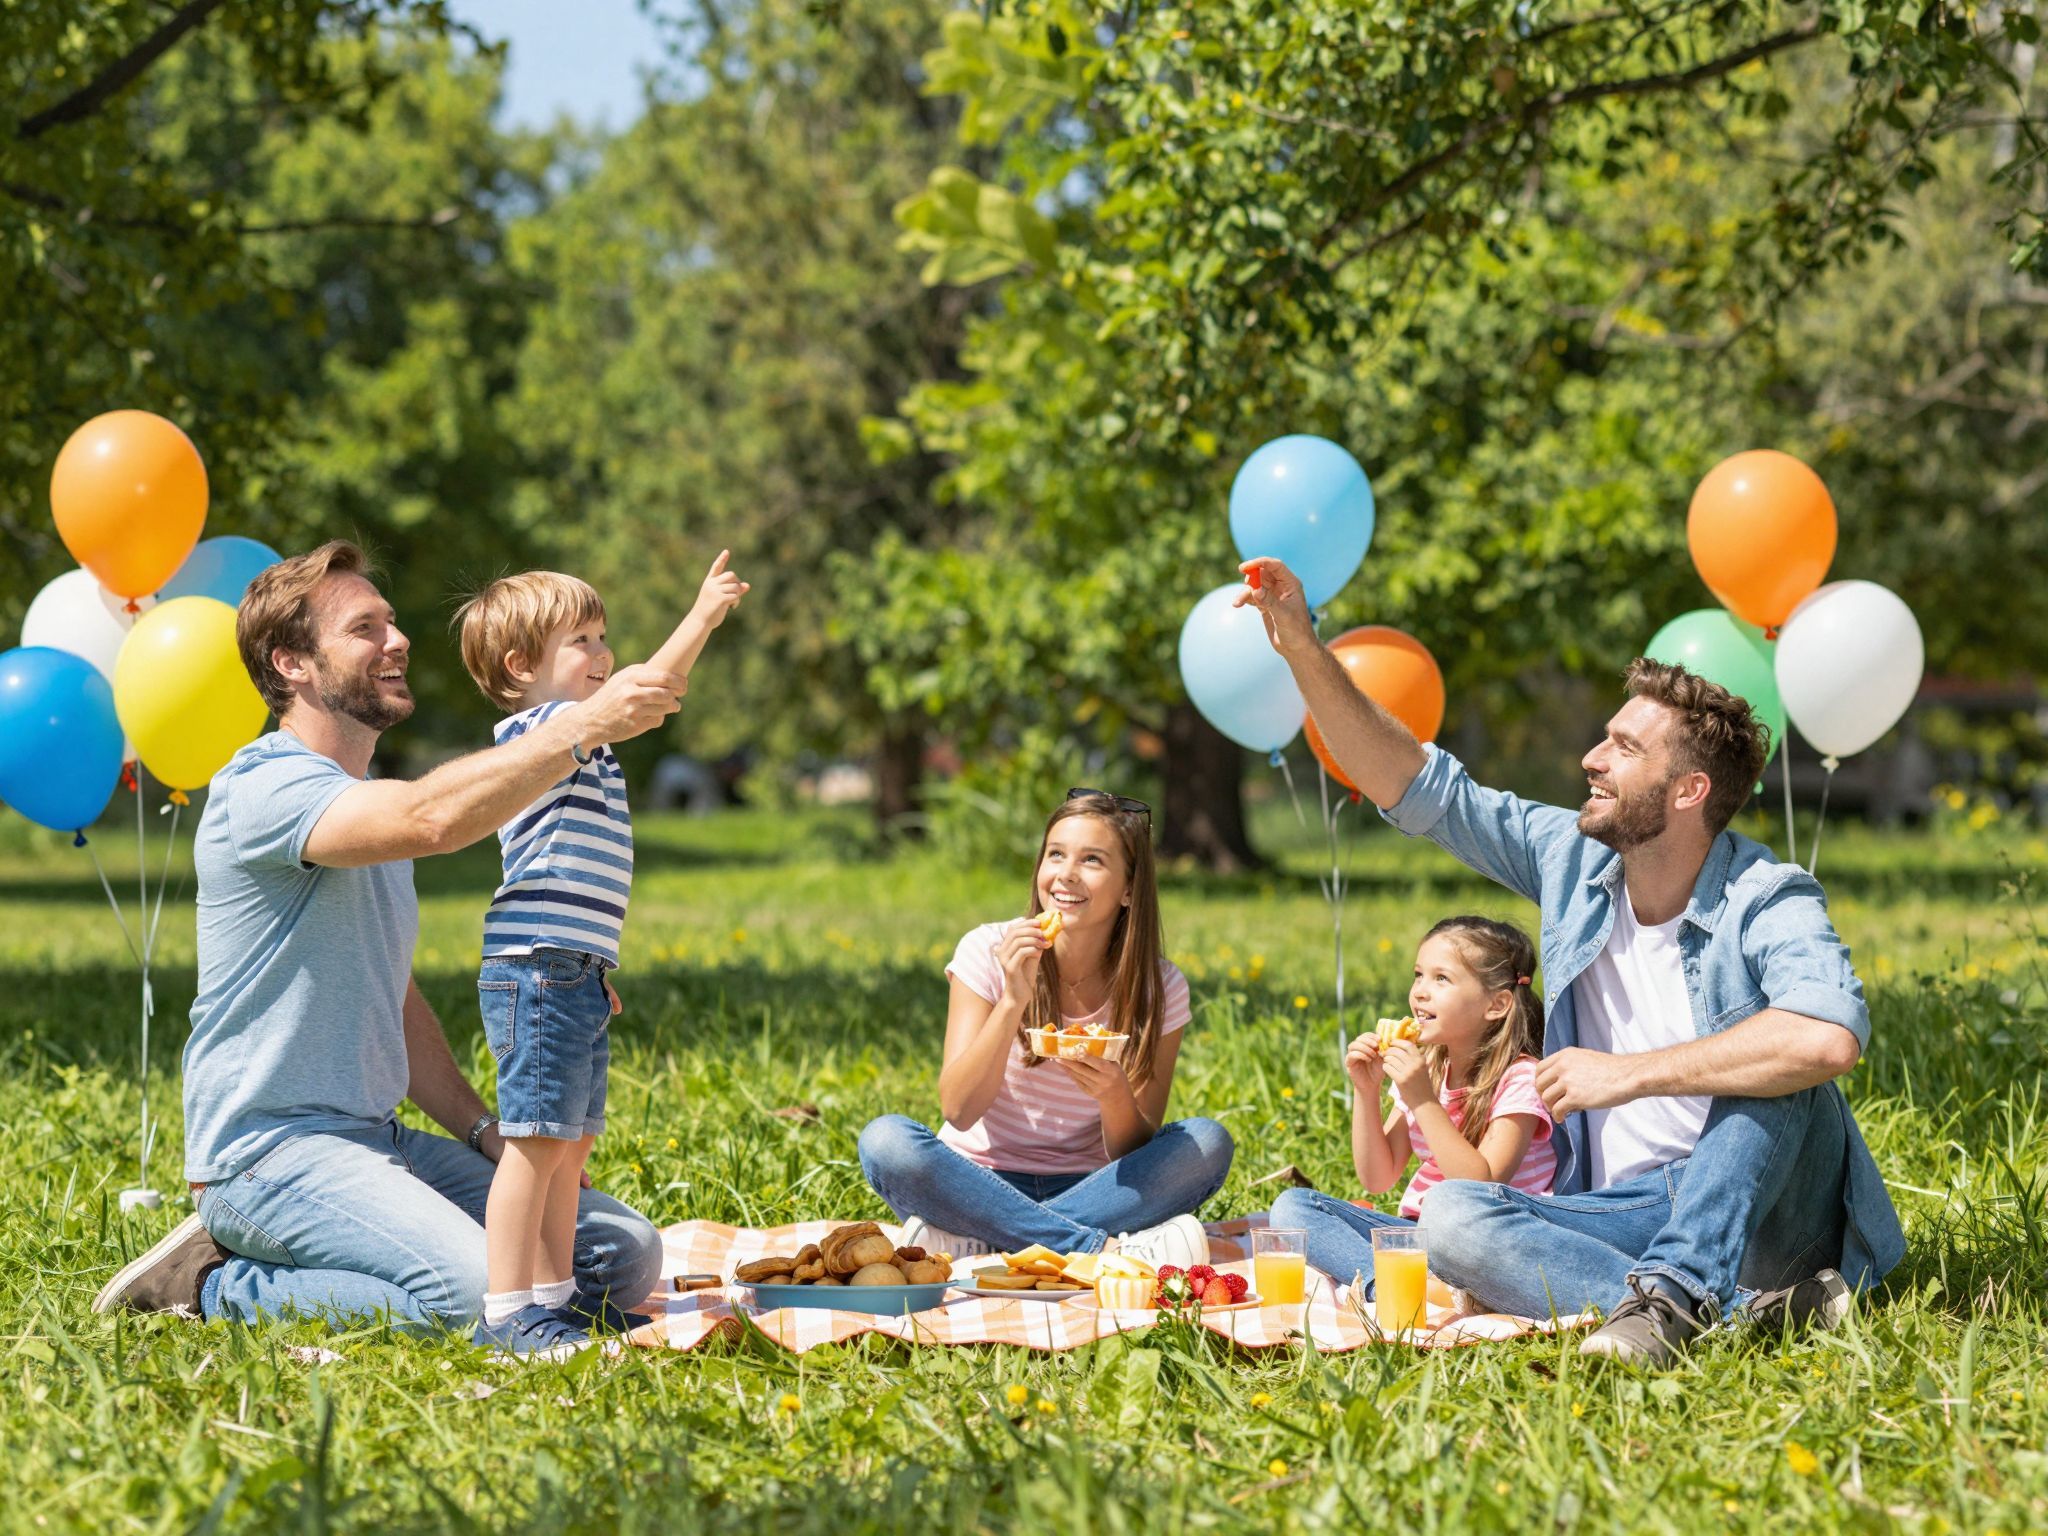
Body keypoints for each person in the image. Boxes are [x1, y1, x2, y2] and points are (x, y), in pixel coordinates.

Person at [1237, 556, 1903, 1366]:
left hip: (1758, 1210)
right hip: (1616, 1211)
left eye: (1623, 747)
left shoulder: (1767, 895)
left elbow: (1828, 1039)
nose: (1592, 757)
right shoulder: (1572, 861)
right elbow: (1415, 785)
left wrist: (1625, 1076)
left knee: (1779, 1063)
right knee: (1429, 1217)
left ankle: (1679, 1292)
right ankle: (1719, 1314)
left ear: (1688, 791)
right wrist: (1303, 649)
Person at [92, 541, 680, 1340]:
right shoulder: (263, 786)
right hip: (269, 1156)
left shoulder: (370, 801)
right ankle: (214, 1282)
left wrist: (482, 1131)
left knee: (619, 1255)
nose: (397, 640)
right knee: (485, 1296)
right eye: (364, 628)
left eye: (392, 621)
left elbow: (392, 997)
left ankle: (352, 1250)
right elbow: (432, 818)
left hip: (380, 1140)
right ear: (292, 663)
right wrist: (581, 727)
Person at [450, 553, 746, 1358]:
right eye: (581, 640)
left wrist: (590, 968)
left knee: (567, 1146)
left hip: (570, 968)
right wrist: (701, 616)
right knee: (534, 1144)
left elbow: (642, 696)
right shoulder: (543, 734)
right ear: (522, 667)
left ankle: (556, 1300)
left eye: (603, 634)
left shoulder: (584, 740)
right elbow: (652, 688)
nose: (604, 653)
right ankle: (508, 1310)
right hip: (538, 967)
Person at [857, 790, 1233, 1267]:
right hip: (974, 1180)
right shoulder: (988, 950)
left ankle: (983, 1240)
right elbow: (959, 1109)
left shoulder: (1159, 986)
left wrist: (1114, 1095)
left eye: (1092, 859)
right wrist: (1013, 1000)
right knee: (886, 1141)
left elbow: (1136, 1153)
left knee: (1207, 1142)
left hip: (1095, 1188)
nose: (1066, 873)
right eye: (1056, 854)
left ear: (1128, 890)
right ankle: (1088, 1248)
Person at [1271, 916, 1554, 1294]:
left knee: (1456, 1218)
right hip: (1419, 1234)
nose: (1420, 991)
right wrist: (1366, 1090)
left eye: (1442, 979)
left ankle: (1415, 1285)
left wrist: (1422, 1098)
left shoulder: (1520, 1078)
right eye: (1419, 975)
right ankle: (1385, 1288)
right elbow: (1378, 1178)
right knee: (1292, 1208)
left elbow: (1480, 1188)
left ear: (1496, 1004)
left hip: (1488, 1240)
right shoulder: (1430, 1070)